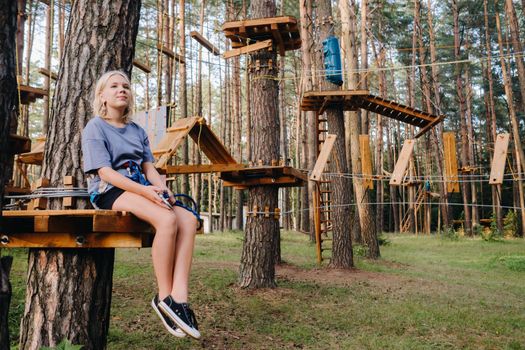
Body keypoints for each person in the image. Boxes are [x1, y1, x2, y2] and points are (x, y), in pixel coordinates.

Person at [81, 70, 200, 339]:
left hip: (142, 187)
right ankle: (163, 296)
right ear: (102, 96)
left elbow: (149, 167)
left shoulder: (137, 130)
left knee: (188, 219)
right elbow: (104, 172)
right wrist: (147, 193)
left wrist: (162, 189)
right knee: (167, 220)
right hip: (110, 191)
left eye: (125, 86)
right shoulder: (95, 127)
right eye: (114, 86)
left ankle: (179, 298)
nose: (121, 89)